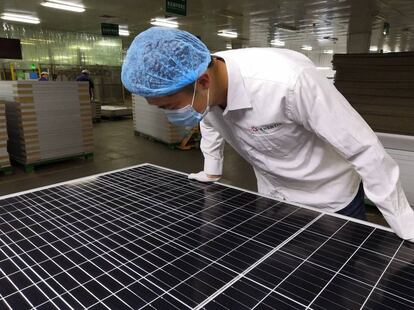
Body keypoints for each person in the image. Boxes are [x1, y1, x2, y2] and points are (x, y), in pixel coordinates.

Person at [121, 27, 414, 242]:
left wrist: (403, 220)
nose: (172, 115)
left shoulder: (287, 83)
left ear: (204, 81)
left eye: (171, 106)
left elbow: (363, 148)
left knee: (335, 280)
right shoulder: (204, 86)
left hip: (331, 201)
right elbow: (209, 120)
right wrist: (212, 169)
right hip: (274, 197)